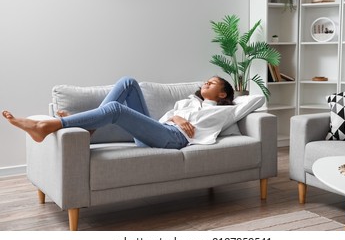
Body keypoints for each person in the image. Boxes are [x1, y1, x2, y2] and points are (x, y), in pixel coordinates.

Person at [2, 76, 235, 149]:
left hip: (174, 140)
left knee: (115, 109)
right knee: (127, 83)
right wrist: (176, 116)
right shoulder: (187, 102)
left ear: (223, 94)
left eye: (213, 82)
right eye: (207, 80)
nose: (206, 82)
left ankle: (48, 126)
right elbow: (165, 118)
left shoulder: (224, 111)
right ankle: (88, 129)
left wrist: (178, 121)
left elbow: (254, 99)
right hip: (163, 129)